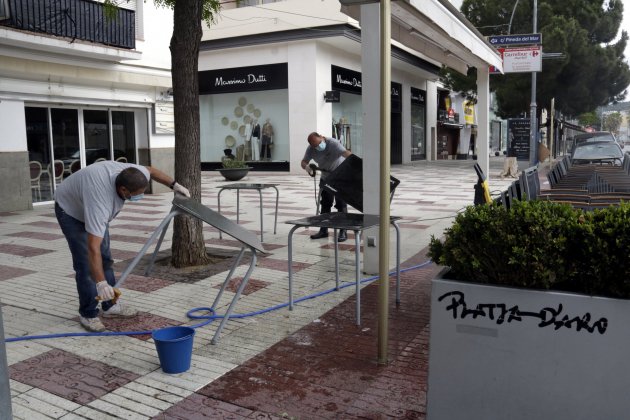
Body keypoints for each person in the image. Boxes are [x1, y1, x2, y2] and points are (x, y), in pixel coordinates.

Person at [54, 160, 190, 332]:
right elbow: (92, 248)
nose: (139, 197)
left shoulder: (135, 173)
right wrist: (101, 283)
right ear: (123, 190)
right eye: (137, 194)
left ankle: (110, 305)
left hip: (88, 200)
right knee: (86, 264)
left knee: (106, 258)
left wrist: (175, 185)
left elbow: (151, 170)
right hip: (71, 211)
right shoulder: (100, 202)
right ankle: (88, 313)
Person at [301, 132, 352, 242]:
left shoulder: (333, 143)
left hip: (340, 175)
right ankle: (323, 230)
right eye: (314, 146)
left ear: (322, 137)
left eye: (318, 144)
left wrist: (356, 165)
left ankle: (343, 230)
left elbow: (346, 153)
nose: (317, 147)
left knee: (341, 204)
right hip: (326, 177)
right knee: (325, 204)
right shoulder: (310, 149)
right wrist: (307, 167)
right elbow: (303, 162)